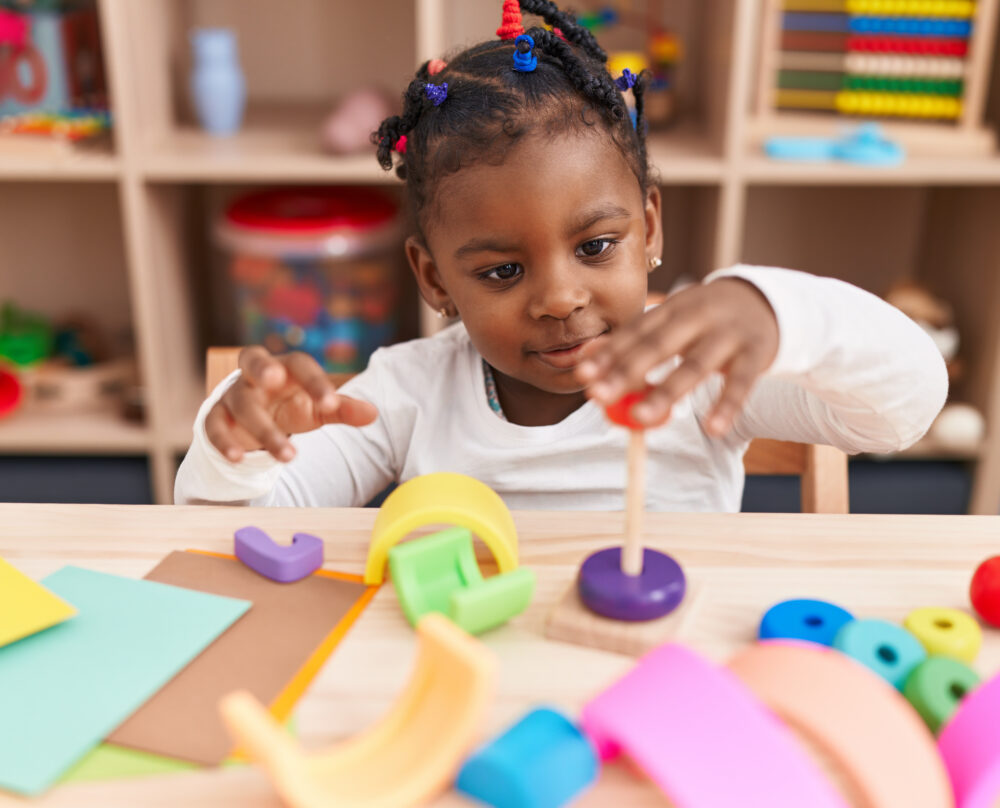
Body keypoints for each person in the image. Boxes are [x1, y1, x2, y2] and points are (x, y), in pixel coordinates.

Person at [174, 0, 946, 511]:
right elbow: (244, 531)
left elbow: (903, 411)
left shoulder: (702, 371)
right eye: (501, 271)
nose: (558, 297)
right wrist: (240, 449)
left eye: (597, 246)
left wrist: (776, 313)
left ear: (649, 228)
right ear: (435, 278)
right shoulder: (406, 393)